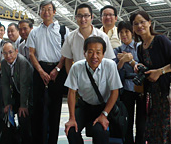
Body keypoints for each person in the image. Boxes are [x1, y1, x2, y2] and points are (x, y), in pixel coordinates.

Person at [65, 37, 122, 144]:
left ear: (103, 54)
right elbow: (71, 93)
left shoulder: (110, 65)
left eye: (98, 52)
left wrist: (104, 114)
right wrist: (71, 118)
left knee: (100, 131)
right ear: (84, 53)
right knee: (71, 130)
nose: (94, 56)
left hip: (103, 107)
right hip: (84, 106)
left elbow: (115, 92)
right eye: (90, 52)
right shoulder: (76, 67)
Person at [26, 0, 68, 144]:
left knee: (55, 109)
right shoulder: (35, 32)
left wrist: (57, 69)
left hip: (58, 70)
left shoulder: (63, 30)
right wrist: (41, 71)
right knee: (38, 108)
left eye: (49, 9)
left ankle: (52, 141)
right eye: (43, 9)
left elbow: (66, 52)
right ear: (39, 12)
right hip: (40, 69)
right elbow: (31, 54)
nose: (46, 12)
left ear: (54, 12)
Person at [130, 11, 171, 143]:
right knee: (154, 131)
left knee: (166, 130)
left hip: (167, 95)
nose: (139, 26)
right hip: (153, 97)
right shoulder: (140, 48)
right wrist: (141, 67)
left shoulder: (160, 40)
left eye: (142, 22)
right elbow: (151, 68)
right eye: (136, 24)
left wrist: (160, 71)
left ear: (149, 23)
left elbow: (161, 68)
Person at [113, 21, 145, 144]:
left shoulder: (140, 47)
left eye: (126, 31)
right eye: (121, 32)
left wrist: (131, 61)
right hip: (125, 88)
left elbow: (145, 66)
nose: (124, 34)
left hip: (140, 87)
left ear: (132, 32)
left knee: (141, 120)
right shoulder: (117, 50)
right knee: (127, 120)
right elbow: (114, 70)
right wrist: (122, 61)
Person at [61, 4, 115, 74]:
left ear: (92, 17)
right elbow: (68, 60)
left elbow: (109, 60)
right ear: (76, 17)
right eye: (79, 16)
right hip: (79, 78)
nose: (83, 19)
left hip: (99, 77)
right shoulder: (70, 37)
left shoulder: (102, 36)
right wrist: (72, 78)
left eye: (86, 16)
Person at [1, 42, 33, 143]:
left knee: (23, 117)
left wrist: (23, 105)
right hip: (16, 92)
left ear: (16, 51)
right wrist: (7, 104)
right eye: (5, 53)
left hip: (30, 94)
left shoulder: (22, 61)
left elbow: (24, 85)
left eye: (10, 52)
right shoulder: (3, 63)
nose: (8, 56)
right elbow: (5, 84)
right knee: (6, 115)